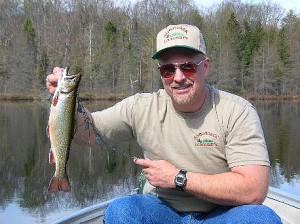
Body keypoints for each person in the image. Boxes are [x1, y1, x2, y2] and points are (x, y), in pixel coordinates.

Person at [46, 24, 282, 224]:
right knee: (121, 211)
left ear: (205, 66)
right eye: (169, 70)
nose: (178, 77)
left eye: (188, 66)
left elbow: (254, 190)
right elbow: (87, 133)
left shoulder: (237, 110)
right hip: (161, 211)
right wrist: (68, 101)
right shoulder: (141, 107)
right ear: (161, 73)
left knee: (261, 218)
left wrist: (179, 178)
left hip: (222, 213)